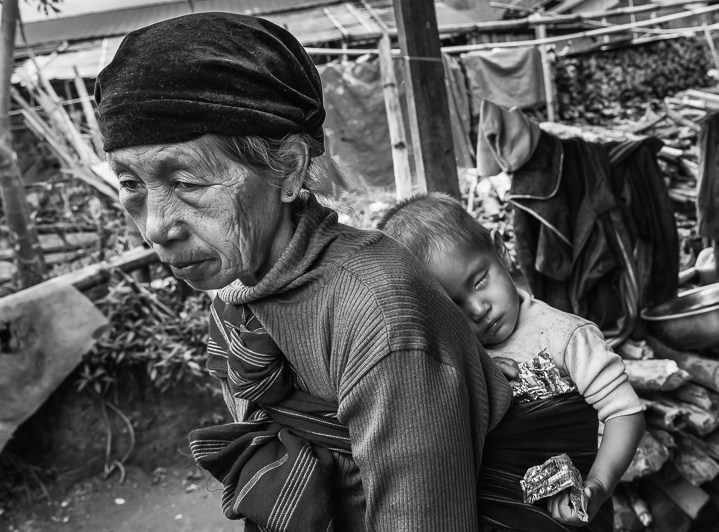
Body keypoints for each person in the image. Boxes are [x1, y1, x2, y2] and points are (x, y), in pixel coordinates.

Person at [94, 12, 516, 531]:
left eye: (186, 181)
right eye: (131, 184)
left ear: (289, 169)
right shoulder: (238, 292)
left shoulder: (378, 314)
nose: (157, 227)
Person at [378, 192, 646, 530]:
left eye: (480, 281)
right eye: (453, 306)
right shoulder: (448, 361)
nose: (478, 309)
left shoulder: (565, 337)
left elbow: (625, 413)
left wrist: (598, 485)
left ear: (500, 249)